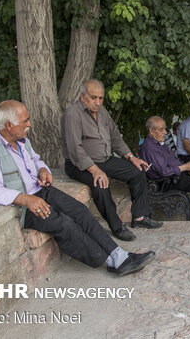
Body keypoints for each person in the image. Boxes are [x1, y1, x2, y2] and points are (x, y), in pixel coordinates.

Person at [0, 100, 154, 276]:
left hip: (40, 191)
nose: (30, 124)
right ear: (9, 125)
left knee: (80, 211)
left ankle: (119, 255)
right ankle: (111, 261)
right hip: (22, 207)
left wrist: (43, 169)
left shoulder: (21, 139)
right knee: (64, 224)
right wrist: (26, 199)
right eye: (25, 120)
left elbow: (35, 159)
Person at [61, 79, 162, 242]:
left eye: (101, 98)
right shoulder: (73, 114)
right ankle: (116, 226)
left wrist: (132, 158)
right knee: (100, 185)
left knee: (138, 171)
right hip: (79, 164)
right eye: (94, 97)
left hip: (104, 159)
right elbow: (75, 150)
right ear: (83, 97)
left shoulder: (102, 112)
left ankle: (139, 218)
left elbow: (116, 138)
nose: (98, 102)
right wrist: (95, 170)